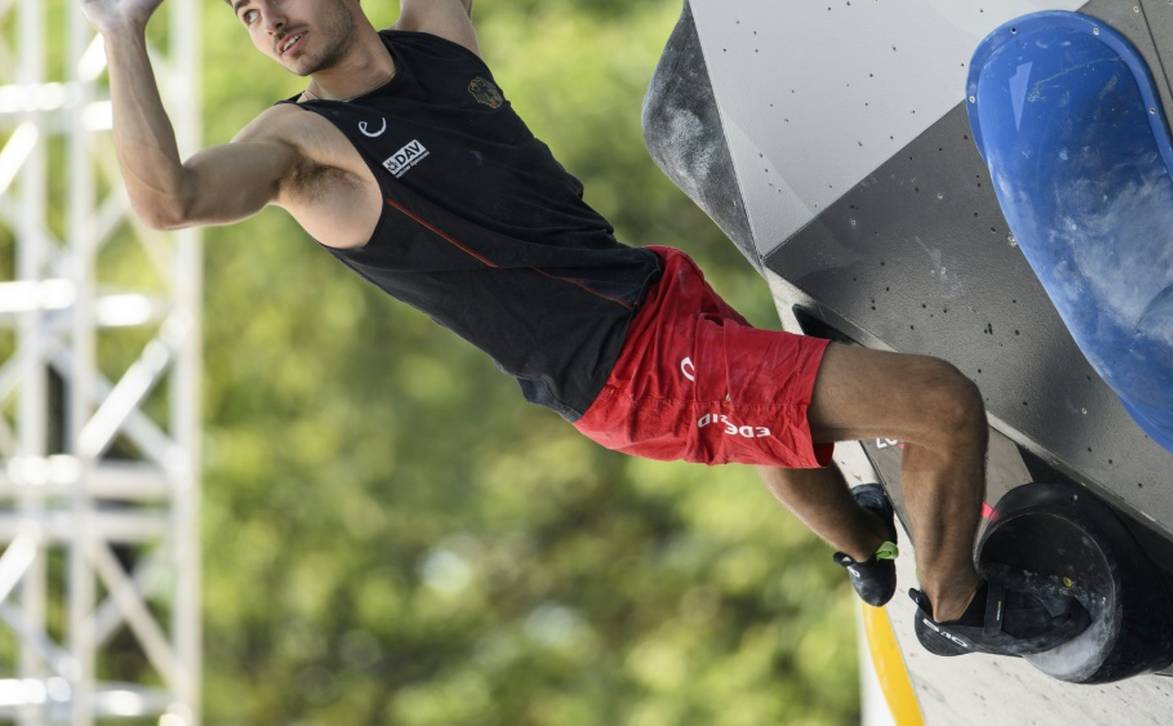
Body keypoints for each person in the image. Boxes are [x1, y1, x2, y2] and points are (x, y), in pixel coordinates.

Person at [81, 0, 1087, 656]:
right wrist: (121, 30)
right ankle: (954, 611)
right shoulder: (301, 146)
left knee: (782, 422)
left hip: (653, 297)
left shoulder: (436, 40)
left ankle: (863, 551)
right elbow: (169, 201)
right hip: (629, 371)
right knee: (942, 406)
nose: (270, 21)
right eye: (245, 12)